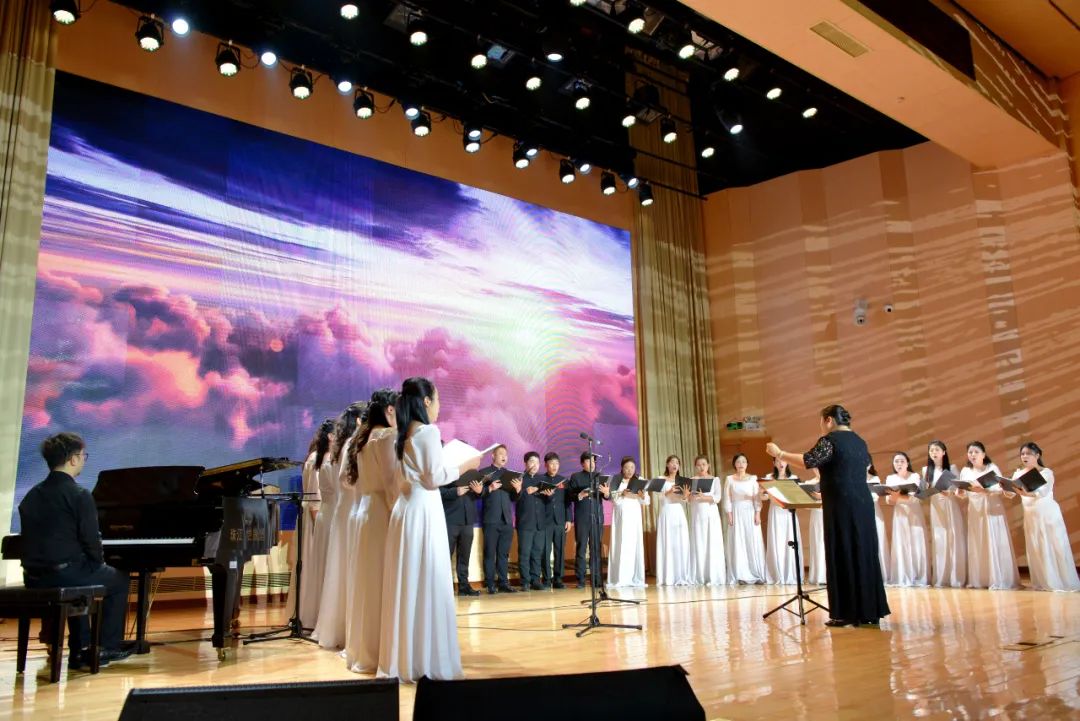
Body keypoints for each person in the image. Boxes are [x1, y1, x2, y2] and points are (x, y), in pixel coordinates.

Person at [378, 377, 481, 682]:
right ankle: (428, 659)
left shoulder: (403, 434)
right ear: (425, 402)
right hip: (423, 511)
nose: (439, 406)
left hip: (407, 510)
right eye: (437, 400)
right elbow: (434, 477)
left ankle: (408, 658)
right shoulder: (428, 432)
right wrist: (466, 465)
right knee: (429, 579)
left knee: (411, 582)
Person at [766, 404, 890, 627]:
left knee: (842, 552)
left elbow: (808, 460)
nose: (821, 427)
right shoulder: (860, 441)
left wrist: (779, 453)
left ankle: (846, 612)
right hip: (862, 504)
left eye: (821, 422)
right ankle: (869, 611)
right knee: (863, 553)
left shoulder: (830, 440)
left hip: (841, 504)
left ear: (829, 420)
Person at [18, 433, 132, 669]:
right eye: (82, 456)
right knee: (119, 580)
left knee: (82, 577)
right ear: (73, 459)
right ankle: (105, 648)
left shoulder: (31, 495)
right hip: (65, 574)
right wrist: (98, 564)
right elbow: (91, 542)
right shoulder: (79, 495)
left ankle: (81, 648)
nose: (82, 461)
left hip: (33, 578)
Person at [345, 389, 398, 673]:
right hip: (380, 511)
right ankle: (380, 650)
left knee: (367, 581)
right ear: (389, 410)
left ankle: (364, 648)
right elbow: (390, 484)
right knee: (380, 580)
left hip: (364, 509)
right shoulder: (386, 436)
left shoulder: (362, 438)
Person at [313, 401, 366, 649]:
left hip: (342, 509)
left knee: (341, 568)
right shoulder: (351, 445)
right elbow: (348, 481)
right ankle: (346, 629)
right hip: (348, 508)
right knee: (346, 567)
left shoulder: (340, 446)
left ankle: (340, 627)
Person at [1011, 442, 1080, 592]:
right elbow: (1010, 493)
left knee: (1053, 545)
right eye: (1022, 454)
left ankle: (1059, 581)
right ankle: (1042, 581)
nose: (1024, 456)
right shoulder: (1018, 473)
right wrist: (1006, 487)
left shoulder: (1046, 473)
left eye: (1028, 454)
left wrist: (1025, 492)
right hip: (1031, 515)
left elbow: (1042, 492)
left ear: (1037, 455)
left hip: (1047, 514)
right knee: (1037, 547)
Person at [291, 418, 334, 630]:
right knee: (311, 565)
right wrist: (319, 526)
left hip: (312, 515)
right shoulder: (318, 459)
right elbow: (315, 497)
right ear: (330, 437)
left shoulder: (314, 457)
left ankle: (308, 613)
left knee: (310, 567)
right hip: (313, 517)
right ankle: (309, 614)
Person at [958, 441, 1018, 590]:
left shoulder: (992, 468)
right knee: (978, 541)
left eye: (976, 452)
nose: (973, 455)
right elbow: (963, 494)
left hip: (991, 507)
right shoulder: (965, 470)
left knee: (993, 539)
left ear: (983, 454)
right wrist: (960, 491)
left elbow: (1001, 488)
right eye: (970, 452)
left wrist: (985, 490)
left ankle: (998, 579)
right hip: (975, 510)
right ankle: (979, 579)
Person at [923, 440, 965, 588]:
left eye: (937, 450)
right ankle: (942, 578)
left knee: (953, 538)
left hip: (949, 505)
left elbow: (959, 489)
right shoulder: (926, 470)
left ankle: (956, 578)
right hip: (936, 507)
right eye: (931, 450)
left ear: (944, 452)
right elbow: (923, 492)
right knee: (939, 540)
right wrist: (926, 489)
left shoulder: (952, 468)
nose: (934, 453)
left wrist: (951, 492)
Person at [884, 452, 929, 587]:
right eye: (896, 461)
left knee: (916, 542)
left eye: (902, 461)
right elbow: (888, 500)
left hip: (914, 514)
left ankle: (919, 576)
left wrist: (897, 497)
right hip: (900, 515)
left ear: (907, 463)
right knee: (902, 543)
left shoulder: (915, 476)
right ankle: (904, 576)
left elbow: (915, 498)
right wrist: (898, 497)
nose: (899, 464)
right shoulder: (890, 478)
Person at [480, 445, 519, 594]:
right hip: (491, 519)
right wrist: (489, 488)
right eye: (501, 454)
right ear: (493, 456)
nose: (504, 457)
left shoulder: (509, 474)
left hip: (507, 520)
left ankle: (503, 583)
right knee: (490, 553)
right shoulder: (484, 473)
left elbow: (514, 498)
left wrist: (518, 489)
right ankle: (490, 583)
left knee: (503, 554)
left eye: (506, 454)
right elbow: (478, 494)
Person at [567, 451, 609, 589]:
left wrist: (606, 493)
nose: (592, 464)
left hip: (597, 516)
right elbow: (569, 496)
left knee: (596, 549)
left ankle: (596, 579)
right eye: (588, 461)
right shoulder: (576, 477)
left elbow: (606, 497)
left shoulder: (599, 477)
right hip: (582, 517)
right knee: (581, 548)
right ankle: (580, 579)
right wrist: (580, 495)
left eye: (593, 461)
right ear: (582, 463)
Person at [441, 462, 482, 597]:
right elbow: (437, 492)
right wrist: (455, 491)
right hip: (451, 519)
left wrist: (479, 491)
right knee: (445, 555)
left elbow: (480, 494)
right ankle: (443, 588)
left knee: (465, 555)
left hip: (468, 519)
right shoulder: (447, 470)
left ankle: (464, 586)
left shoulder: (472, 473)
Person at [724, 453, 766, 584]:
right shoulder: (729, 479)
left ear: (747, 464)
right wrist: (729, 514)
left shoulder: (753, 479)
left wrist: (757, 513)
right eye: (738, 462)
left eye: (743, 461)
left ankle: (756, 573)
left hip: (750, 512)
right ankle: (741, 574)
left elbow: (757, 498)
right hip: (736, 512)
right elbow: (727, 498)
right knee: (738, 542)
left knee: (752, 540)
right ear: (734, 464)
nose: (741, 464)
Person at [607, 457, 648, 588]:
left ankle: (635, 578)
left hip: (634, 516)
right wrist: (622, 494)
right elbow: (614, 500)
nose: (629, 470)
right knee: (621, 543)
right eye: (626, 467)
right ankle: (620, 578)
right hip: (621, 516)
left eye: (632, 467)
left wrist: (642, 496)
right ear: (622, 468)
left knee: (634, 544)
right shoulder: (616, 480)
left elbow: (646, 501)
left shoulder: (639, 480)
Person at [762, 457, 802, 585]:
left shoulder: (793, 478)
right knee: (777, 541)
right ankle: (778, 574)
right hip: (775, 512)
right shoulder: (769, 477)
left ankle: (792, 574)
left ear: (787, 462)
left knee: (790, 540)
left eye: (783, 460)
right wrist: (762, 493)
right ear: (774, 463)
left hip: (789, 512)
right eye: (778, 461)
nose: (781, 463)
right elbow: (764, 497)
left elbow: (798, 497)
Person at [688, 455, 725, 586]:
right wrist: (688, 496)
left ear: (708, 465)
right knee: (699, 541)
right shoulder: (692, 480)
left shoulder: (715, 480)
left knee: (711, 542)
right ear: (695, 466)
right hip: (697, 514)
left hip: (711, 514)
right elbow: (689, 500)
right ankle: (700, 576)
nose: (701, 467)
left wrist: (703, 497)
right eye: (698, 465)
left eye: (704, 464)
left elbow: (718, 498)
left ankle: (713, 575)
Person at [656, 454, 691, 586]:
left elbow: (685, 500)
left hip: (678, 512)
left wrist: (686, 496)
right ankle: (668, 576)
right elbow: (659, 497)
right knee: (668, 542)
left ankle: (682, 575)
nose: (674, 464)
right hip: (666, 511)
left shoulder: (682, 481)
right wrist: (669, 492)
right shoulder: (661, 479)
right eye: (672, 462)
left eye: (677, 462)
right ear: (667, 464)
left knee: (680, 542)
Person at [537, 452, 570, 589]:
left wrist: (568, 519)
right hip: (545, 520)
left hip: (560, 520)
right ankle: (546, 579)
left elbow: (567, 502)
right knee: (545, 550)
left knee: (560, 550)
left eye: (556, 463)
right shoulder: (540, 480)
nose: (554, 466)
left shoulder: (563, 480)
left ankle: (558, 579)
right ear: (546, 465)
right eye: (551, 463)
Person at [515, 452, 545, 590]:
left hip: (540, 523)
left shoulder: (542, 480)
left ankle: (536, 580)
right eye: (532, 461)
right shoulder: (519, 479)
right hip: (525, 522)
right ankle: (525, 581)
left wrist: (549, 495)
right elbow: (514, 498)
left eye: (537, 462)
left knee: (537, 553)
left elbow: (548, 501)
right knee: (524, 553)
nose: (535, 465)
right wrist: (523, 491)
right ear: (525, 463)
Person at [866, 463, 889, 584]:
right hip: (859, 513)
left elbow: (875, 497)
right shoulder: (854, 477)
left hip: (873, 512)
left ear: (869, 465)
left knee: (877, 540)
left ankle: (879, 574)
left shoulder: (875, 479)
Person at [804, 468, 827, 585]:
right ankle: (819, 576)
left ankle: (830, 575)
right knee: (818, 543)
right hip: (816, 515)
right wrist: (814, 498)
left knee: (829, 543)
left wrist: (822, 497)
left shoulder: (831, 480)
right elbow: (806, 505)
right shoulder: (810, 483)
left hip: (830, 513)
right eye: (815, 467)